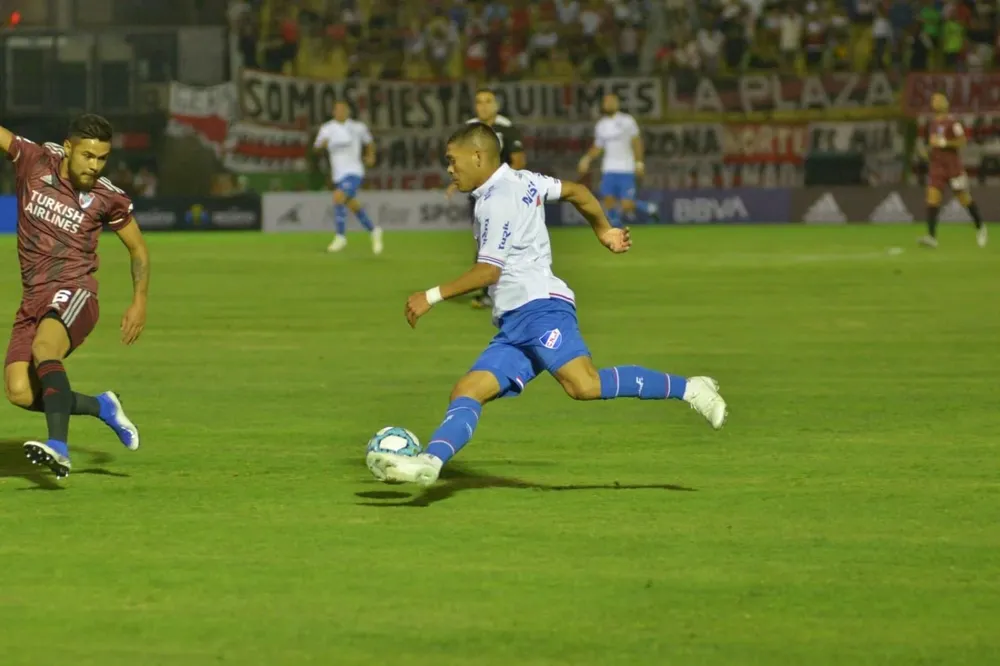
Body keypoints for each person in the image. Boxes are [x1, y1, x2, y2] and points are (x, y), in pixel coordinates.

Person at [367, 123, 728, 486]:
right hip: (515, 323)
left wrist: (431, 295)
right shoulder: (525, 180)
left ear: (477, 156)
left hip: (540, 309)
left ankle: (691, 388)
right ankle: (430, 462)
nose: (449, 169)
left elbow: (488, 272)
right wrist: (604, 229)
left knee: (584, 385)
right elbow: (577, 191)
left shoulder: (497, 200)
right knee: (467, 390)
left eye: (452, 160)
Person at [1, 114, 146, 479]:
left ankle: (59, 448)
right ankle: (101, 407)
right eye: (88, 156)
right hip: (33, 298)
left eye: (102, 158)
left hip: (76, 291)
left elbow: (138, 250)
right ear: (69, 148)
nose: (95, 166)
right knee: (19, 391)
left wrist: (139, 301)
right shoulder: (34, 162)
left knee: (44, 350)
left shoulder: (107, 197)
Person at [448, 88, 525, 310]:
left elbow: (518, 161)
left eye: (487, 101)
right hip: (479, 193)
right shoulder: (468, 129)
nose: (483, 106)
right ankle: (494, 291)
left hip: (503, 193)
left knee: (493, 240)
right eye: (479, 102)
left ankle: (490, 292)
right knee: (485, 240)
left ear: (496, 105)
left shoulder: (507, 129)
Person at [577, 93, 659, 227]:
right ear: (603, 105)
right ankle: (616, 230)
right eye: (606, 102)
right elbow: (598, 147)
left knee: (627, 205)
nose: (608, 104)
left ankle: (650, 208)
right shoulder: (601, 125)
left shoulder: (627, 121)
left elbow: (636, 142)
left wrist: (639, 163)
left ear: (617, 104)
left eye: (611, 101)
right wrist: (586, 159)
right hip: (609, 169)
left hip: (626, 168)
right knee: (609, 202)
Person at [919, 92, 987, 248]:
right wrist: (928, 152)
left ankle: (980, 227)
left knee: (964, 198)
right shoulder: (932, 124)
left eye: (938, 99)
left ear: (945, 103)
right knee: (932, 198)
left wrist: (944, 143)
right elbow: (934, 145)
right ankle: (931, 237)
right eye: (933, 100)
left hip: (953, 167)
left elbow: (962, 141)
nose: (934, 102)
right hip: (937, 167)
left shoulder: (953, 123)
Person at [313, 101, 383, 254]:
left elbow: (369, 142)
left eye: (343, 109)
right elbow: (316, 148)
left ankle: (340, 237)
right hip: (338, 174)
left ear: (348, 112)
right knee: (352, 204)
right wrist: (322, 145)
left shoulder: (358, 127)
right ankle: (374, 230)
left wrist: (370, 155)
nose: (341, 112)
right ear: (333, 112)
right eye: (338, 109)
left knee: (338, 197)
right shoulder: (327, 129)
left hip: (354, 171)